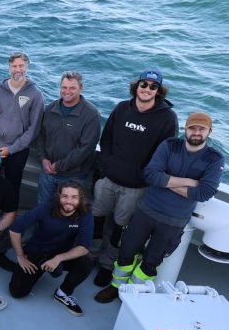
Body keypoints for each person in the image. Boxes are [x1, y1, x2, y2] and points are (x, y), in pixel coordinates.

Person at [95, 112, 224, 303]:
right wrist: (189, 182)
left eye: (201, 129)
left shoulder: (214, 159)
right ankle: (116, 287)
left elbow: (204, 193)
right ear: (185, 129)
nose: (196, 132)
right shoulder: (170, 145)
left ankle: (132, 294)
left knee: (151, 261)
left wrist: (166, 181)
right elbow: (151, 175)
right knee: (126, 251)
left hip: (174, 220)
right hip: (146, 210)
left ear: (209, 132)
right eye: (192, 128)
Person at [91, 68, 178, 287]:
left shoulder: (167, 118)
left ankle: (106, 264)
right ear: (136, 86)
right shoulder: (122, 108)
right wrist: (107, 165)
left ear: (159, 91)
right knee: (97, 219)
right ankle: (88, 255)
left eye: (153, 86)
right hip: (108, 179)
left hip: (136, 187)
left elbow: (165, 154)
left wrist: (141, 175)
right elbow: (107, 137)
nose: (147, 89)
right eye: (144, 84)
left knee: (120, 229)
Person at [8, 181, 94, 316]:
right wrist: (20, 256)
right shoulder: (44, 209)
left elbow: (84, 247)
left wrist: (58, 258)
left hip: (61, 254)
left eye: (74, 197)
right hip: (36, 252)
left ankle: (63, 293)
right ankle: (39, 268)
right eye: (65, 196)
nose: (69, 201)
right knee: (17, 292)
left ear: (80, 199)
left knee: (86, 262)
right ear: (58, 197)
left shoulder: (85, 215)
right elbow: (15, 229)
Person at [0, 52, 44, 207]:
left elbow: (33, 129)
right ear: (9, 67)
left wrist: (11, 149)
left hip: (17, 150)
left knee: (11, 187)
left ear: (27, 66)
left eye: (21, 65)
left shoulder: (36, 95)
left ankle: (8, 216)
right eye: (14, 66)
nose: (18, 69)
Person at [36, 72, 101, 205]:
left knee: (68, 211)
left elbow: (85, 148)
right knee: (43, 206)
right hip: (47, 172)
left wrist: (59, 166)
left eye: (72, 88)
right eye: (64, 87)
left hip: (73, 177)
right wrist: (43, 159)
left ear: (81, 88)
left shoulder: (91, 115)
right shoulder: (50, 109)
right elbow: (41, 137)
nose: (67, 91)